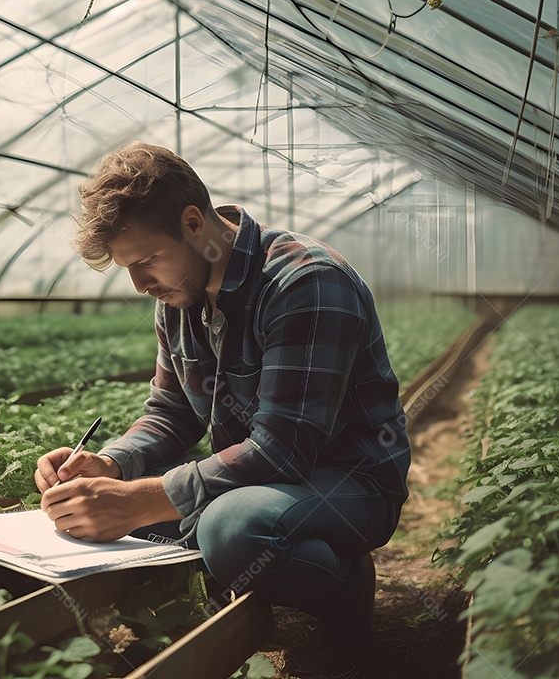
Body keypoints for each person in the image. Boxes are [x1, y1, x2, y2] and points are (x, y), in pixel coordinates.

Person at [35, 141, 410, 669]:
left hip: (346, 481)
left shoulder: (306, 282)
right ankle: (235, 572)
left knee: (230, 528)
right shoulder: (180, 295)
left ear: (194, 223)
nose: (140, 285)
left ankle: (345, 585)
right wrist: (113, 464)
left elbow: (282, 453)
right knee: (111, 510)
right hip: (257, 479)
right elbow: (171, 412)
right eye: (128, 268)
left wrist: (140, 499)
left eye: (146, 261)